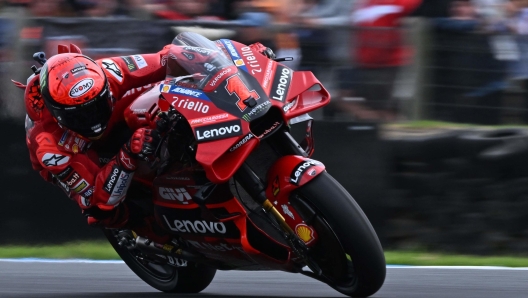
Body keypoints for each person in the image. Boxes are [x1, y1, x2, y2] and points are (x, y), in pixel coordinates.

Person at [16, 32, 275, 230]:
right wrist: (127, 155)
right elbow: (96, 198)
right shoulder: (49, 146)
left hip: (121, 117)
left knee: (164, 94)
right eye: (81, 115)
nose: (92, 119)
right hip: (83, 156)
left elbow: (171, 55)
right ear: (59, 114)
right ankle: (158, 236)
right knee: (106, 213)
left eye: (96, 107)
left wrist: (239, 59)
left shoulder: (111, 71)